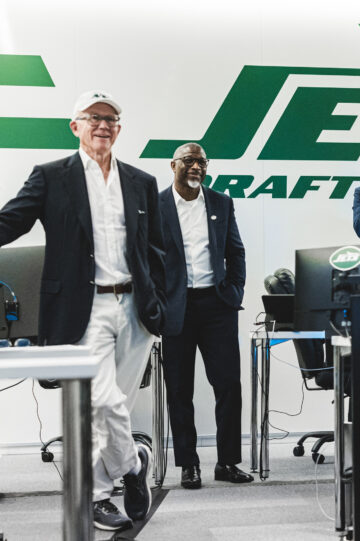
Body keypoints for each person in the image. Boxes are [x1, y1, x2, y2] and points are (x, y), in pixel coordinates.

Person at [0, 90, 164, 531]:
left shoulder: (140, 181)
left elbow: (157, 248)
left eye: (111, 119)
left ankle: (102, 493)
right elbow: (11, 220)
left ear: (119, 129)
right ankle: (130, 468)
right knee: (102, 400)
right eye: (93, 118)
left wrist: (162, 303)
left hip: (135, 308)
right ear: (75, 126)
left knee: (114, 408)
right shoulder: (52, 176)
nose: (102, 125)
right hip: (84, 307)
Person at [158, 143, 251, 489]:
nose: (196, 166)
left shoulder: (221, 203)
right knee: (179, 389)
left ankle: (227, 462)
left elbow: (235, 251)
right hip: (177, 307)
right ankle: (188, 464)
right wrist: (157, 303)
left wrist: (235, 292)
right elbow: (148, 258)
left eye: (202, 161)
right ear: (173, 165)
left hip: (217, 306)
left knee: (228, 385)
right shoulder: (157, 205)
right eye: (189, 160)